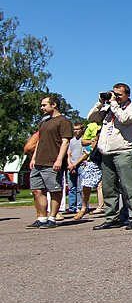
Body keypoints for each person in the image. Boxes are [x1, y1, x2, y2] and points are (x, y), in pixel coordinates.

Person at [87, 84, 132, 230]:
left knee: (128, 186)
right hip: (107, 152)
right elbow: (91, 118)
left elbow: (124, 119)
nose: (115, 97)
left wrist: (113, 103)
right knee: (108, 188)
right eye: (113, 94)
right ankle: (111, 217)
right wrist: (100, 102)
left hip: (123, 151)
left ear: (127, 95)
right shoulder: (108, 109)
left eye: (119, 94)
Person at [26, 96, 72, 229]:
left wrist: (59, 159)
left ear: (54, 105)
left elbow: (65, 142)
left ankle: (52, 217)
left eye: (44, 105)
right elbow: (39, 142)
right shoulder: (44, 122)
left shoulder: (63, 121)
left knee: (54, 190)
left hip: (53, 162)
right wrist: (34, 157)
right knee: (36, 190)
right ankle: (41, 218)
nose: (42, 108)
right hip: (39, 162)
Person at [65, 123, 86, 214]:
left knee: (80, 188)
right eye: (74, 129)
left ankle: (80, 206)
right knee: (71, 187)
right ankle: (71, 207)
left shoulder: (84, 140)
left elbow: (85, 154)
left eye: (77, 129)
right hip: (71, 166)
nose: (76, 131)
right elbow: (68, 153)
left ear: (82, 129)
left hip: (81, 165)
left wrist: (75, 164)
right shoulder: (72, 141)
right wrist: (70, 164)